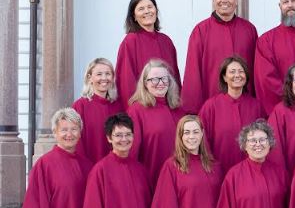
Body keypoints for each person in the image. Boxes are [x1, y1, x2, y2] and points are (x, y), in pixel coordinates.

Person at [182, 0, 259, 112]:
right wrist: (193, 111)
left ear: (236, 0)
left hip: (244, 105)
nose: (224, 0)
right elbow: (192, 72)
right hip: (211, 105)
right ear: (213, 0)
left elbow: (255, 70)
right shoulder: (200, 31)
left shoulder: (249, 29)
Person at [198, 56, 265, 170]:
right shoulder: (210, 107)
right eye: (232, 71)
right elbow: (202, 139)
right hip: (219, 170)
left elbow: (264, 139)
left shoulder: (256, 106)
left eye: (241, 71)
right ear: (224, 77)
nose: (237, 75)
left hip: (250, 171)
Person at [127, 60, 186, 189]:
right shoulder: (136, 110)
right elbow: (132, 151)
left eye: (164, 78)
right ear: (145, 83)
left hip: (181, 179)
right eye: (154, 79)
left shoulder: (179, 109)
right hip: (152, 179)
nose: (160, 83)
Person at [115, 0, 180, 106]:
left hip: (168, 105)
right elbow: (126, 80)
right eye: (141, 9)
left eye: (150, 7)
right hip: (143, 106)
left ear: (156, 11)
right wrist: (133, 109)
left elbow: (175, 76)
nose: (147, 11)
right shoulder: (130, 41)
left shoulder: (166, 41)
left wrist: (177, 102)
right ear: (134, 16)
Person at [72, 58, 122, 163]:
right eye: (99, 74)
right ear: (89, 78)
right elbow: (77, 142)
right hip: (88, 166)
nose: (104, 78)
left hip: (114, 166)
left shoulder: (118, 107)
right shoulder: (80, 106)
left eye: (108, 74)